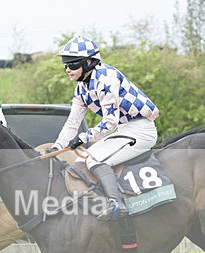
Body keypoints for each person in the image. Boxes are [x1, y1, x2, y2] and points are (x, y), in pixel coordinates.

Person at [48, 35, 160, 221]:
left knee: (94, 160)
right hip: (125, 130)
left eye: (73, 64)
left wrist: (83, 138)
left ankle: (116, 203)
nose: (67, 69)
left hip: (142, 130)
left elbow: (110, 123)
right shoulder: (81, 88)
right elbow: (72, 123)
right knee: (82, 161)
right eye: (65, 65)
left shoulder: (106, 79)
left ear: (90, 62)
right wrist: (56, 148)